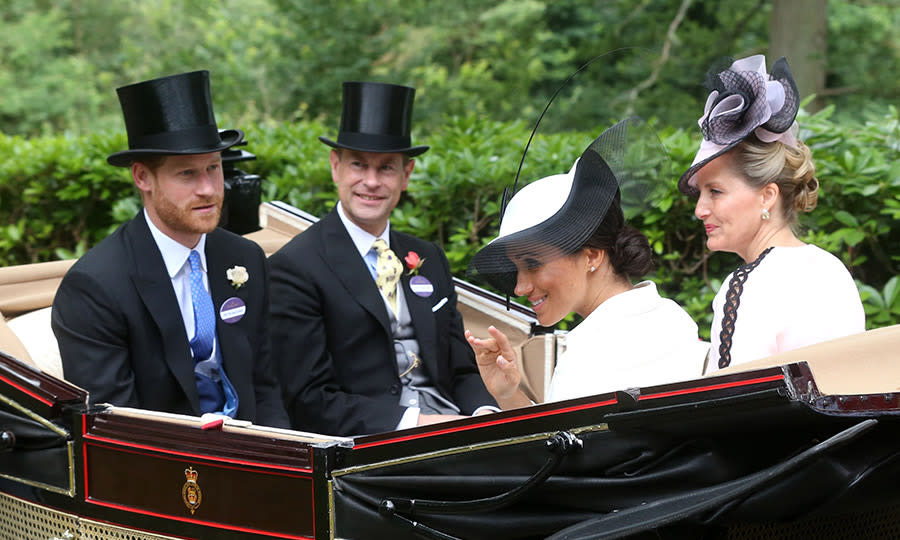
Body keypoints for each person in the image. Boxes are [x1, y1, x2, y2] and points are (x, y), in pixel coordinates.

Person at [51, 71, 289, 427]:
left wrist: (282, 465)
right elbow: (115, 429)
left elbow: (265, 387)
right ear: (142, 177)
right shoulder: (95, 286)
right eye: (187, 174)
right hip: (162, 468)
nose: (208, 189)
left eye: (214, 168)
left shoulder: (245, 258)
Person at [268, 81, 496, 436]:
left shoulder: (428, 258)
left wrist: (484, 415)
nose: (371, 181)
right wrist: (417, 424)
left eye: (386, 168)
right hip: (371, 445)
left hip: (453, 427)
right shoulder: (294, 267)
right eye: (359, 165)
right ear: (335, 167)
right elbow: (308, 400)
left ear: (406, 175)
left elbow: (461, 370)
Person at [466, 119, 708, 408]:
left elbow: (566, 450)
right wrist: (508, 394)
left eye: (532, 263)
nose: (519, 287)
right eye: (516, 268)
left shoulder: (599, 347)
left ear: (592, 255)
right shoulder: (668, 317)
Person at [677, 54, 865, 373]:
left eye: (715, 192)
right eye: (701, 193)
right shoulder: (832, 270)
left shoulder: (748, 287)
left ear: (767, 196)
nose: (700, 209)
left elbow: (733, 412)